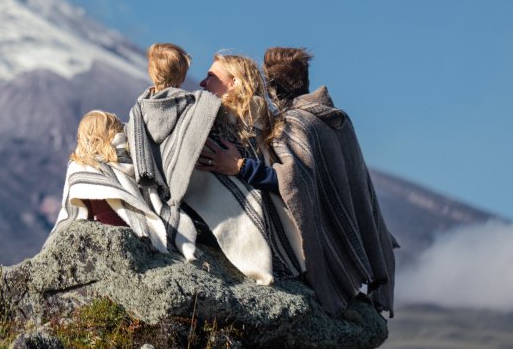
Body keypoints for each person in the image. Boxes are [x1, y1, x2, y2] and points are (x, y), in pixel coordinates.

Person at [125, 44, 298, 282]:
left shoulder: (267, 129)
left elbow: (294, 183)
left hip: (233, 226)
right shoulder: (205, 118)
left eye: (211, 77)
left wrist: (240, 167)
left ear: (234, 83)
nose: (202, 84)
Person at [263, 47, 397, 316]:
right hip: (352, 238)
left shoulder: (292, 124)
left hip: (323, 247)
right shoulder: (338, 119)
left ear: (273, 86)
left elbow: (296, 184)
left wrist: (241, 167)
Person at [47, 110, 188, 254]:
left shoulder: (83, 165)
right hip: (141, 228)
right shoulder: (137, 157)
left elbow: (82, 213)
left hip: (107, 231)